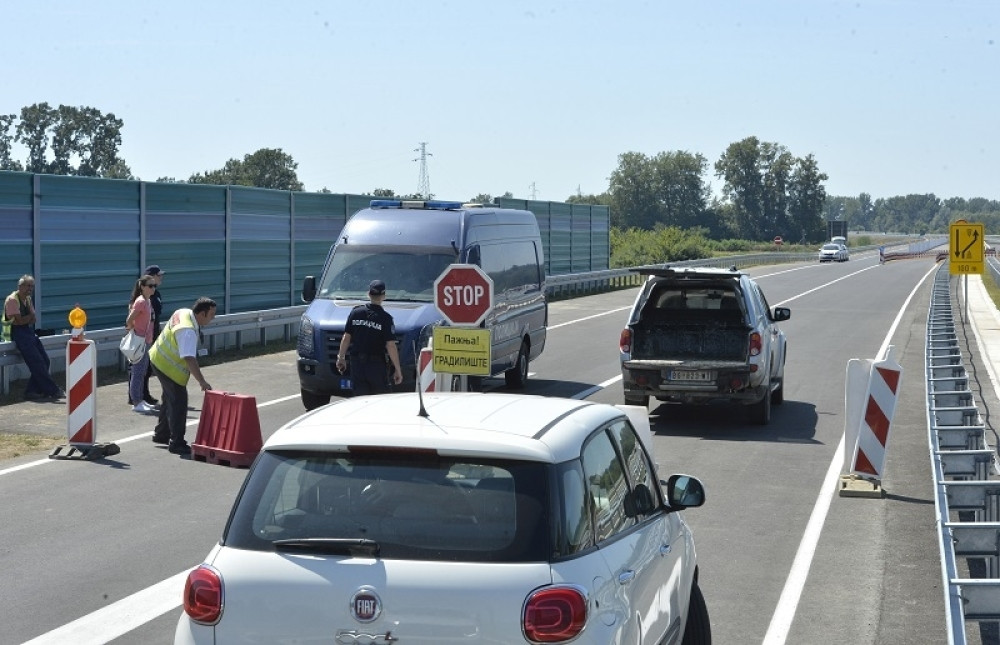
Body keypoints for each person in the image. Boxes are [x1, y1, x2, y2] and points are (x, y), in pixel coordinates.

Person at [148, 297, 217, 455]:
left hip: (157, 357)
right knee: (179, 403)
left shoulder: (184, 312)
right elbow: (189, 358)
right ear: (202, 313)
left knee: (168, 398)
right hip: (168, 367)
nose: (213, 318)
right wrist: (202, 381)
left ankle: (161, 434)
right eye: (211, 314)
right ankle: (177, 442)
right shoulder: (188, 331)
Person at [2, 275, 65, 401]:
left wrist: (27, 318)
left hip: (28, 332)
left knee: (45, 361)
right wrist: (28, 317)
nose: (30, 289)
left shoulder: (28, 299)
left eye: (32, 286)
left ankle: (31, 391)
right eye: (27, 286)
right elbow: (18, 322)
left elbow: (33, 319)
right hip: (17, 333)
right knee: (36, 362)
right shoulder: (12, 300)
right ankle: (53, 390)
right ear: (20, 286)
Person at [336, 279, 403, 395]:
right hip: (376, 366)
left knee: (360, 400)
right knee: (379, 400)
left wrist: (341, 358)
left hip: (357, 365)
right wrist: (398, 369)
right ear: (384, 296)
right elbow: (390, 345)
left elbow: (346, 337)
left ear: (369, 294)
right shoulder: (385, 318)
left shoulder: (356, 313)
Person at [125, 276, 157, 414]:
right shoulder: (140, 302)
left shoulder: (147, 301)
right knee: (137, 372)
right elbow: (129, 319)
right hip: (140, 340)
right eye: (150, 286)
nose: (153, 288)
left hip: (146, 340)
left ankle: (140, 399)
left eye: (154, 286)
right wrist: (135, 331)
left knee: (143, 371)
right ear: (142, 286)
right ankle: (136, 401)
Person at [140, 264, 165, 405]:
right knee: (142, 367)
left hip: (154, 333)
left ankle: (144, 394)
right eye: (158, 275)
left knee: (149, 366)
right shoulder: (143, 296)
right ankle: (140, 396)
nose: (161, 277)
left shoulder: (156, 294)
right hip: (144, 336)